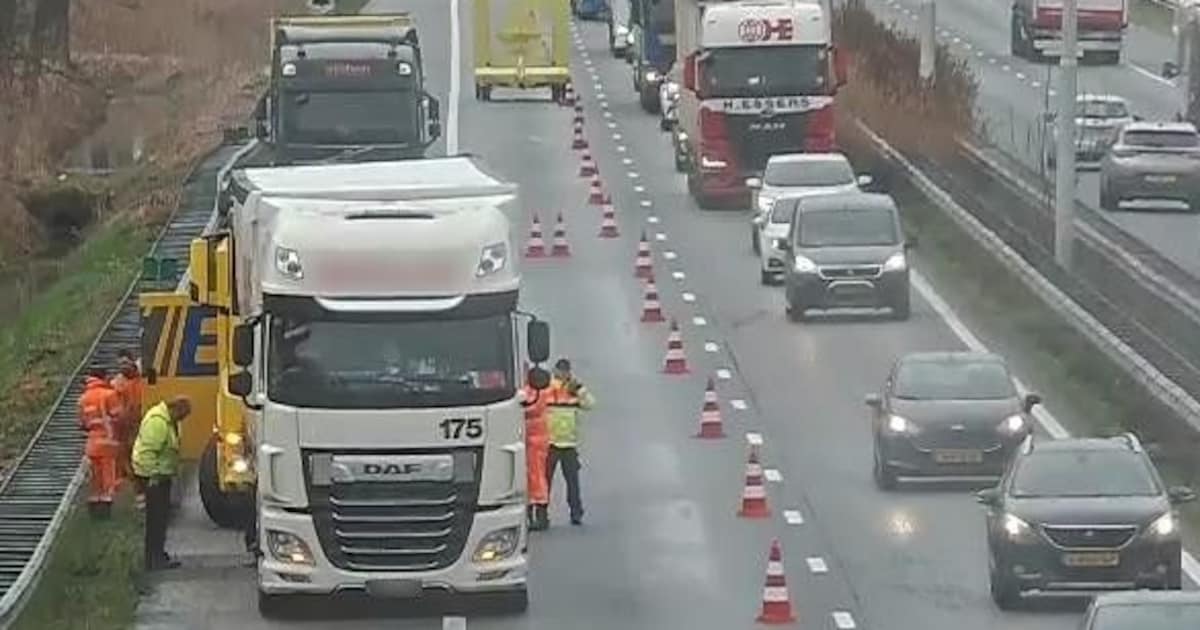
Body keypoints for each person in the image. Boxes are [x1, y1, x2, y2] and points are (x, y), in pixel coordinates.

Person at [132, 396, 191, 570]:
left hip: (161, 477)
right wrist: (153, 477)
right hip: (153, 479)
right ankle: (153, 559)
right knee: (156, 520)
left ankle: (157, 554)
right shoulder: (157, 422)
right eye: (182, 416)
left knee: (160, 518)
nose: (181, 420)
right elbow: (147, 453)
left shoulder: (168, 421)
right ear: (174, 409)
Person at [544, 358, 595, 526]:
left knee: (573, 483)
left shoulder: (574, 388)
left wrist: (579, 390)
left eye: (566, 371)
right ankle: (541, 513)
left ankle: (576, 513)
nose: (563, 374)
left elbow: (590, 404)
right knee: (545, 483)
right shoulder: (547, 386)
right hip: (549, 443)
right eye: (561, 371)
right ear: (556, 371)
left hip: (569, 444)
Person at [78, 367, 123, 519]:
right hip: (107, 442)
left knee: (95, 479)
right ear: (104, 377)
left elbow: (82, 423)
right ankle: (106, 511)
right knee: (108, 478)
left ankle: (94, 509)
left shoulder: (83, 398)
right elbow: (119, 417)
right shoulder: (109, 394)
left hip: (92, 444)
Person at [110, 350, 145, 505]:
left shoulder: (145, 375)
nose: (123, 367)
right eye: (120, 364)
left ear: (132, 361)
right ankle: (139, 495)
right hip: (128, 427)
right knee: (130, 461)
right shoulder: (117, 384)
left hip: (144, 422)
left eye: (125, 362)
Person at [520, 368, 551, 531]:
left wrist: (516, 406)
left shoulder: (539, 393)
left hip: (535, 441)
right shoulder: (530, 391)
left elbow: (530, 408)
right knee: (531, 477)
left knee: (536, 478)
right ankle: (534, 513)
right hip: (530, 440)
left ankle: (540, 514)